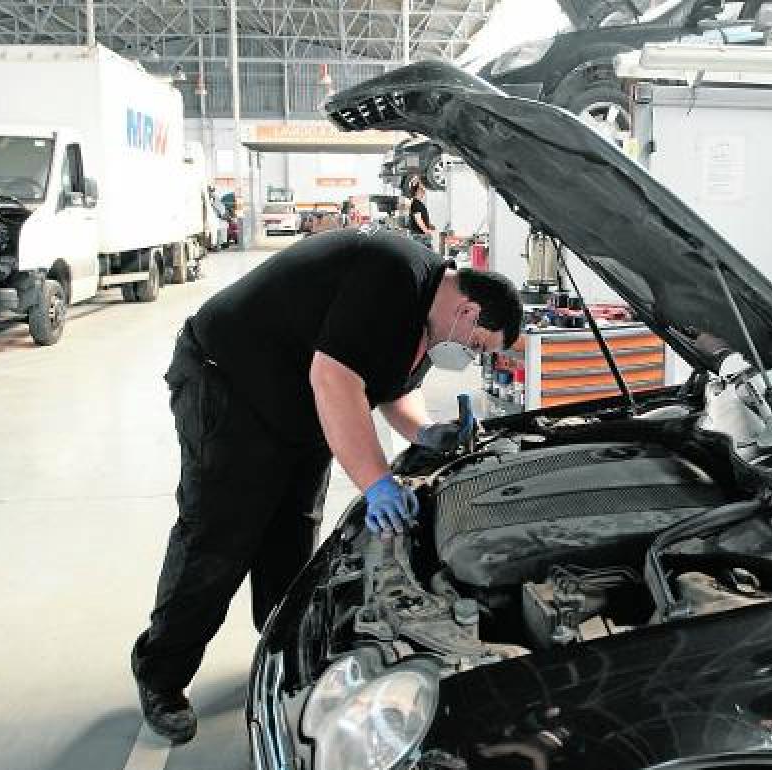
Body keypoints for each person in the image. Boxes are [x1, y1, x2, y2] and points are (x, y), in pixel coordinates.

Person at [131, 227, 523, 744]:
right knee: (219, 542)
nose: (469, 353)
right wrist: (377, 482)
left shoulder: (428, 325)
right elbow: (335, 378)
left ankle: (278, 659)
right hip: (229, 388)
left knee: (292, 542)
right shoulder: (393, 274)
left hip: (298, 410)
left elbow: (390, 392)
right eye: (476, 344)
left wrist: (426, 431)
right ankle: (161, 675)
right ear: (468, 311)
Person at [407, 177, 437, 249]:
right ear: (417, 191)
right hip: (419, 236)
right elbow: (418, 219)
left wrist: (429, 225)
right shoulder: (415, 203)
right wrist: (426, 231)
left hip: (421, 235)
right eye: (422, 189)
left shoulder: (419, 203)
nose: (424, 191)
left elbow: (421, 218)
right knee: (427, 255)